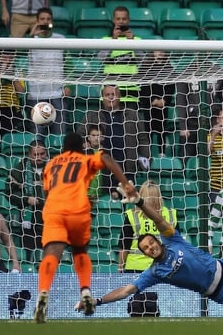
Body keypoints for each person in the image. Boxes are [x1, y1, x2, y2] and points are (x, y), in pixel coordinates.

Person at [75, 183, 223, 317]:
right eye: (146, 249)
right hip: (219, 291)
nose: (150, 248)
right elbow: (126, 290)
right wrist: (97, 301)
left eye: (151, 243)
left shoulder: (173, 240)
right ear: (145, 253)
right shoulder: (155, 272)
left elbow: (158, 218)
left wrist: (140, 202)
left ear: (157, 242)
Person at [33, 132, 138, 323]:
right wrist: (125, 184)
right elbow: (106, 157)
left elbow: (47, 191)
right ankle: (86, 291)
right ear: (82, 145)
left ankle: (43, 294)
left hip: (54, 210)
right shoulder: (84, 160)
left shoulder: (51, 165)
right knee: (80, 252)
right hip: (77, 209)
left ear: (63, 147)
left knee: (50, 255)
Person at [78, 85, 151, 199]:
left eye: (114, 94)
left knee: (127, 201)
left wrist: (145, 157)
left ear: (119, 97)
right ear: (102, 97)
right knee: (104, 201)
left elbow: (143, 139)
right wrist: (83, 143)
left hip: (127, 169)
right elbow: (79, 136)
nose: (111, 97)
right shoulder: (92, 115)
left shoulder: (132, 115)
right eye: (107, 95)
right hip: (102, 170)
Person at [27, 7, 69, 138]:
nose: (45, 22)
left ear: (52, 21)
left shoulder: (61, 39)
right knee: (37, 136)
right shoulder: (29, 40)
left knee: (60, 134)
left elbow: (69, 64)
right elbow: (19, 57)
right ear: (37, 21)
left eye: (48, 19)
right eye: (42, 19)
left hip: (57, 93)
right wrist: (30, 36)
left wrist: (69, 85)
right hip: (36, 94)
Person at [118, 181, 177, 273]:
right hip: (164, 266)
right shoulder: (171, 214)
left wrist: (120, 268)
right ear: (159, 195)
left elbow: (124, 246)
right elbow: (176, 244)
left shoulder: (132, 215)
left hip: (136, 267)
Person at [7, 140, 49, 263]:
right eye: (35, 155)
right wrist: (26, 199)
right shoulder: (20, 169)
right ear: (29, 155)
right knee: (30, 257)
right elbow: (8, 193)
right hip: (29, 222)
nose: (39, 157)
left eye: (42, 154)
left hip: (50, 220)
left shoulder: (53, 168)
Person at [98, 6, 144, 106]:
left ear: (128, 20)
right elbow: (101, 58)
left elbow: (143, 60)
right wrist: (113, 40)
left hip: (131, 92)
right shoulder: (106, 40)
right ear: (114, 20)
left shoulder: (136, 40)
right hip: (110, 92)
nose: (121, 22)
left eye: (124, 19)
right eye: (118, 19)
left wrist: (132, 42)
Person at [0, 53, 26, 141]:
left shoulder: (18, 72)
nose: (7, 60)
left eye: (10, 57)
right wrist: (1, 74)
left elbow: (21, 91)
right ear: (0, 57)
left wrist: (13, 78)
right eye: (5, 57)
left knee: (11, 137)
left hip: (12, 109)